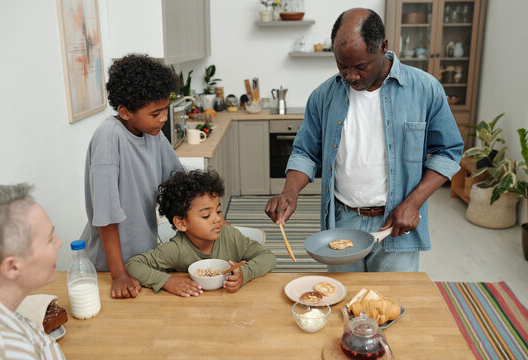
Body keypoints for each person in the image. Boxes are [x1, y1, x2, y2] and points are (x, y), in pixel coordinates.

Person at [265, 8, 464, 272]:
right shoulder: (323, 96)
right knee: (342, 305)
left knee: (392, 306)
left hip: (397, 223)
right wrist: (290, 192)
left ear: (383, 47)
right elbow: (305, 152)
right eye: (341, 66)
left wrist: (413, 203)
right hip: (342, 221)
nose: (350, 76)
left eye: (360, 66)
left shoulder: (425, 89)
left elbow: (448, 151)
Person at [79, 54, 182, 299]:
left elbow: (178, 182)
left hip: (141, 261)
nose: (164, 118)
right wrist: (119, 275)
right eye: (155, 113)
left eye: (165, 110)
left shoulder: (154, 133)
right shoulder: (108, 137)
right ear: (125, 112)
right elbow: (105, 216)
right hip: (111, 268)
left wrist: (210, 216)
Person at [125, 169, 276, 297]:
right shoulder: (177, 249)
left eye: (218, 211)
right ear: (182, 223)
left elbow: (268, 257)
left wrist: (244, 274)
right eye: (206, 216)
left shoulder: (230, 236)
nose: (218, 219)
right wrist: (167, 281)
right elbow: (133, 265)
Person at [0, 184, 65, 359]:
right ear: (12, 267)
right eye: (49, 239)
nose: (59, 242)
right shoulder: (10, 350)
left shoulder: (9, 315)